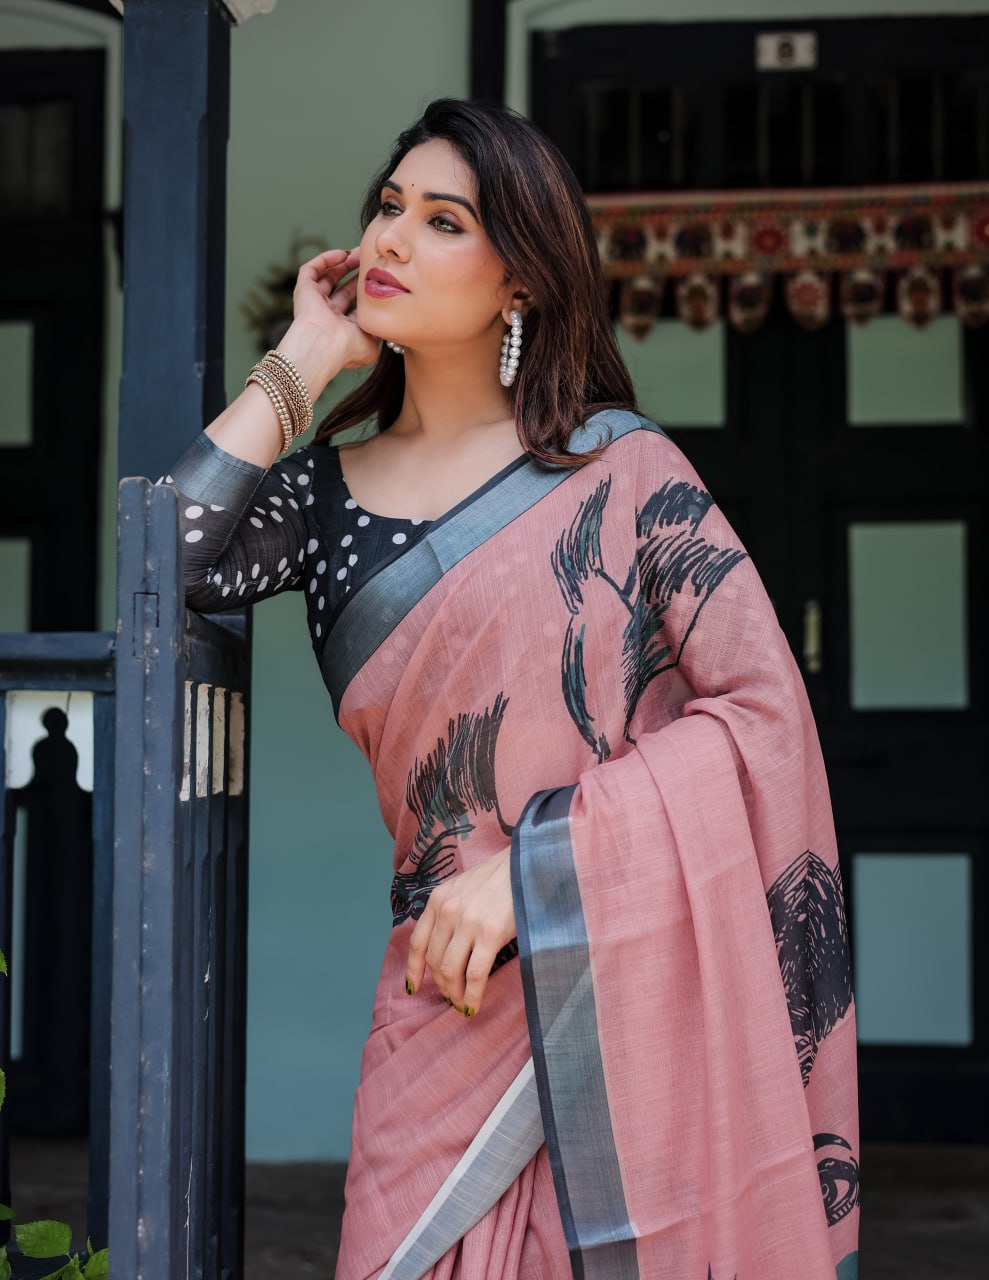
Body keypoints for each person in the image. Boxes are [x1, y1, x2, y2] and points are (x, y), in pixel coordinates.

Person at [164, 98, 860, 1280]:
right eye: (389, 207)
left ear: (520, 282)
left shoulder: (621, 470)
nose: (390, 238)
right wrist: (304, 361)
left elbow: (760, 716)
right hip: (443, 1002)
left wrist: (538, 866)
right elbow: (169, 561)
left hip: (628, 983)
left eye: (443, 221)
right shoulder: (326, 499)